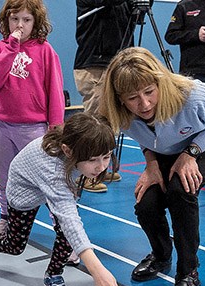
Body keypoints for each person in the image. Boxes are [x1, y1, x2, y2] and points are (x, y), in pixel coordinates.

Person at [99, 47, 205, 286]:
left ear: (159, 83)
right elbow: (148, 138)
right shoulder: (119, 113)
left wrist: (192, 153)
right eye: (132, 98)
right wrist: (151, 165)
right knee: (146, 204)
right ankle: (162, 256)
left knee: (181, 189)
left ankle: (188, 272)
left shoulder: (192, 95)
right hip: (170, 147)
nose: (144, 104)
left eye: (149, 92)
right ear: (120, 99)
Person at [0, 113, 122, 286]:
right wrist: (97, 271)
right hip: (25, 191)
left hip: (53, 184)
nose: (101, 166)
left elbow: (67, 218)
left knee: (65, 232)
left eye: (106, 157)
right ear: (68, 151)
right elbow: (70, 219)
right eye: (93, 160)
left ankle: (54, 275)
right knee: (13, 246)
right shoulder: (53, 169)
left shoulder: (75, 149)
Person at [0, 0, 65, 232]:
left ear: (36, 22)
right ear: (6, 20)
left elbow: (55, 90)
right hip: (3, 125)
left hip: (34, 128)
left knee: (48, 180)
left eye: (26, 20)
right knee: (5, 177)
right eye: (15, 19)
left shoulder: (45, 50)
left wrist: (56, 127)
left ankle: (63, 231)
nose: (20, 25)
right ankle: (6, 219)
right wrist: (11, 47)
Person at [73, 0, 135, 192]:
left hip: (117, 60)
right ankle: (84, 175)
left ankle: (100, 169)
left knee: (110, 121)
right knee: (95, 122)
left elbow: (136, 17)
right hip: (94, 64)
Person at [164, 0, 205, 96]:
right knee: (189, 109)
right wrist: (196, 35)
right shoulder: (184, 5)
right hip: (192, 74)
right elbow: (171, 36)